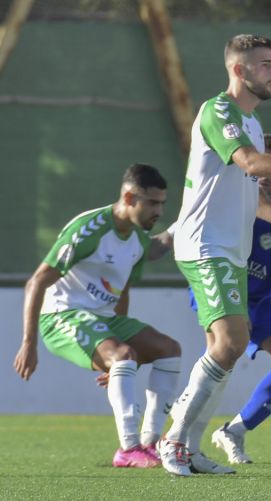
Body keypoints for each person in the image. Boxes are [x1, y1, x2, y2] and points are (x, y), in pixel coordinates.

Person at [159, 34, 271, 477]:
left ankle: (190, 445)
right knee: (230, 342)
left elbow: (249, 191)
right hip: (204, 246)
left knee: (223, 348)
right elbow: (251, 164)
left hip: (228, 251)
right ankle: (173, 442)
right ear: (238, 70)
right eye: (265, 64)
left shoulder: (249, 122)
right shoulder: (219, 111)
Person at [13, 164, 181, 469]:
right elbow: (36, 281)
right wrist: (29, 343)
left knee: (169, 350)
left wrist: (117, 353)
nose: (159, 211)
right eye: (152, 203)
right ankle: (128, 449)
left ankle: (150, 442)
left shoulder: (137, 239)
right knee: (124, 355)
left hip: (103, 319)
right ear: (129, 198)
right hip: (62, 316)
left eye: (162, 203)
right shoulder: (89, 230)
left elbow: (122, 289)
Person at [181, 135, 271, 468]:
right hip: (221, 287)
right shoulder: (229, 197)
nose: (267, 175)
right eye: (262, 164)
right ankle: (179, 438)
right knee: (221, 359)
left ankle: (235, 430)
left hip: (259, 298)